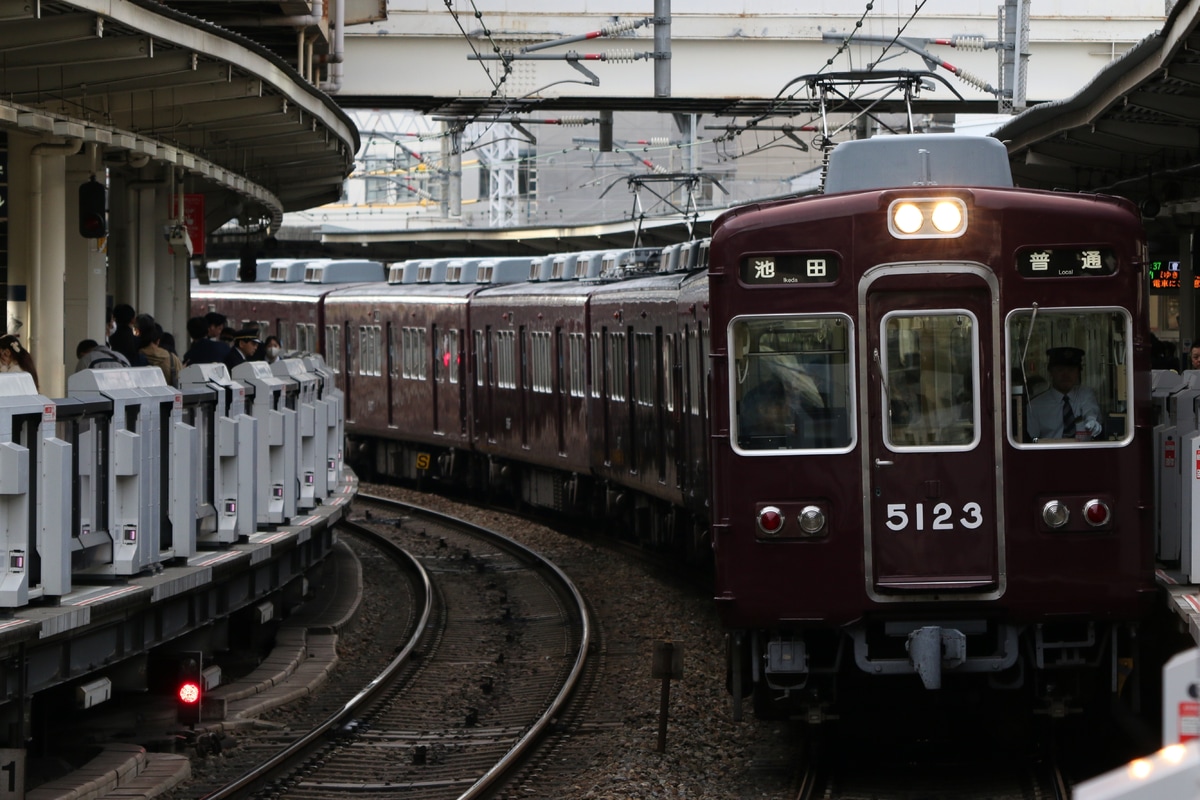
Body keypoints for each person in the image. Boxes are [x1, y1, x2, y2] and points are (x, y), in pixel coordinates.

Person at [1026, 346, 1102, 441]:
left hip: (1084, 453)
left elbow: (1090, 410)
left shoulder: (1086, 395)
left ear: (1078, 373)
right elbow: (1032, 441)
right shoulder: (1035, 406)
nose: (1066, 375)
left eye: (1071, 370)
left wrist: (1092, 421)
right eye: (1060, 370)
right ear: (1050, 372)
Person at [138, 320, 183, 386]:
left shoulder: (137, 358)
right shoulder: (172, 358)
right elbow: (181, 380)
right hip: (170, 394)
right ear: (158, 341)